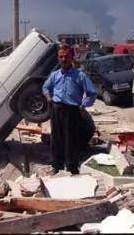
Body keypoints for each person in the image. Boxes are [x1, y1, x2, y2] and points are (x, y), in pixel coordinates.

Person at [42, 45, 97, 174]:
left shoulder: (80, 75)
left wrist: (84, 104)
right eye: (61, 56)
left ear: (72, 57)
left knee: (71, 139)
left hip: (72, 110)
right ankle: (56, 166)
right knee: (56, 138)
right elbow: (45, 87)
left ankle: (72, 167)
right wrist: (48, 97)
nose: (63, 59)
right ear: (58, 58)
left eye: (66, 56)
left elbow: (92, 93)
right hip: (56, 109)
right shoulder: (55, 75)